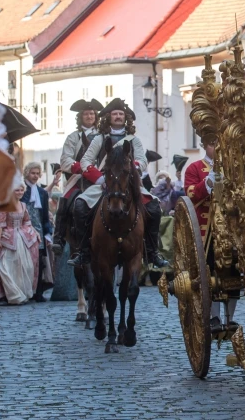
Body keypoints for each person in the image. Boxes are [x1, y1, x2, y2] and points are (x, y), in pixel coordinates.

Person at [68, 98, 169, 269]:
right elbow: (85, 161)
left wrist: (131, 170)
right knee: (79, 205)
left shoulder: (133, 140)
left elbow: (142, 161)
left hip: (128, 184)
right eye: (114, 114)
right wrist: (100, 179)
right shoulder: (100, 139)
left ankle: (152, 252)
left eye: (121, 114)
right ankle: (83, 251)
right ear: (109, 116)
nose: (118, 116)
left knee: (153, 206)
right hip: (104, 184)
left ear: (126, 117)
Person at [184, 139, 237, 328]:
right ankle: (214, 316)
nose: (217, 148)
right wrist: (208, 182)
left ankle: (230, 317)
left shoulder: (235, 167)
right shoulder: (194, 168)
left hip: (231, 228)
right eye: (213, 144)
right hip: (206, 232)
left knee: (233, 271)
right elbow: (190, 195)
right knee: (210, 271)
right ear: (205, 145)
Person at [51, 99, 103, 254]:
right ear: (81, 117)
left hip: (100, 178)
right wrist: (82, 168)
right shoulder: (73, 137)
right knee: (65, 200)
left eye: (92, 113)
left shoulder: (102, 135)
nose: (89, 116)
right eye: (86, 114)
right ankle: (59, 238)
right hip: (79, 178)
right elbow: (65, 160)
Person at [0, 184, 40, 305]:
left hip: (22, 238)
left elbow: (27, 221)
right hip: (8, 237)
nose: (20, 192)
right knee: (6, 267)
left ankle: (22, 293)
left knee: (25, 267)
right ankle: (13, 295)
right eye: (17, 190)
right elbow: (0, 224)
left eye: (22, 190)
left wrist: (35, 232)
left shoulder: (23, 205)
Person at [21, 162, 53, 302]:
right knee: (26, 262)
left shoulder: (42, 193)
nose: (35, 176)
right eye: (32, 173)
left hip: (39, 231)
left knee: (40, 262)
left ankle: (38, 292)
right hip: (23, 230)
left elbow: (45, 215)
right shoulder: (21, 189)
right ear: (27, 173)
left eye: (37, 173)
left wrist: (47, 234)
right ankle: (26, 291)